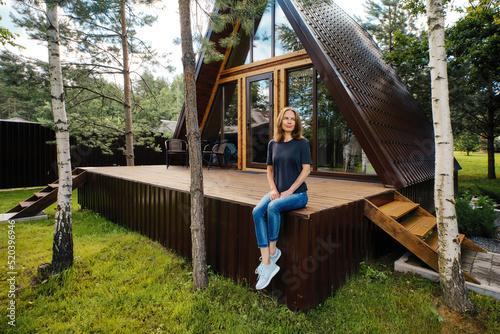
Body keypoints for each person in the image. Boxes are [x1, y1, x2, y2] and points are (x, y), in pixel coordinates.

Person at [252, 106, 312, 290]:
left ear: (296, 122)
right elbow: (269, 170)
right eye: (286, 118)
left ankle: (271, 252)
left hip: (298, 194)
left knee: (273, 207)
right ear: (280, 121)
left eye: (292, 119)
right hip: (277, 192)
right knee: (256, 212)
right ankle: (268, 264)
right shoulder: (273, 144)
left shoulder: (301, 143)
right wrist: (273, 189)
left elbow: (306, 169)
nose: (289, 121)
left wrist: (290, 191)